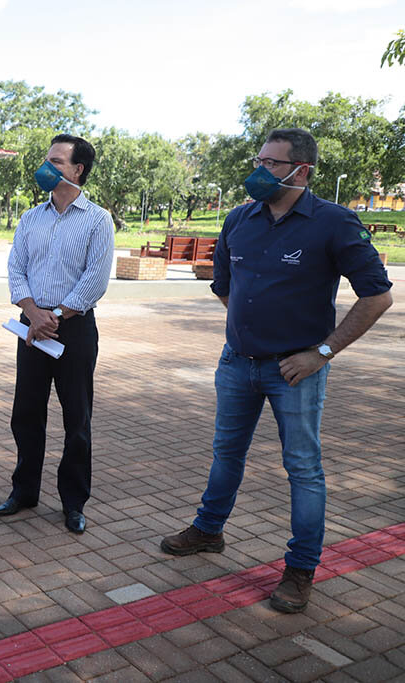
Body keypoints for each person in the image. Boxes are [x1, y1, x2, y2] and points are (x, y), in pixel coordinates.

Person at [161, 128, 393, 613]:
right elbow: (223, 286)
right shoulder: (239, 220)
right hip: (236, 364)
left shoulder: (334, 223)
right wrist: (250, 326)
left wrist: (322, 353)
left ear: (301, 171)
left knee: (303, 469)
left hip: (297, 372)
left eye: (270, 163)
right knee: (226, 453)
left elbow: (377, 295)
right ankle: (208, 530)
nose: (258, 171)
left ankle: (301, 568)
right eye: (259, 160)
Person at [0, 134, 114, 534]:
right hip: (31, 328)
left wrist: (56, 315)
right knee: (26, 414)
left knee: (76, 418)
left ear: (78, 170)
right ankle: (24, 491)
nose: (47, 167)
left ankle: (73, 502)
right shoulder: (31, 218)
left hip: (74, 330)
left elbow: (94, 281)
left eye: (57, 161)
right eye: (48, 159)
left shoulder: (97, 220)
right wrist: (32, 312)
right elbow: (16, 269)